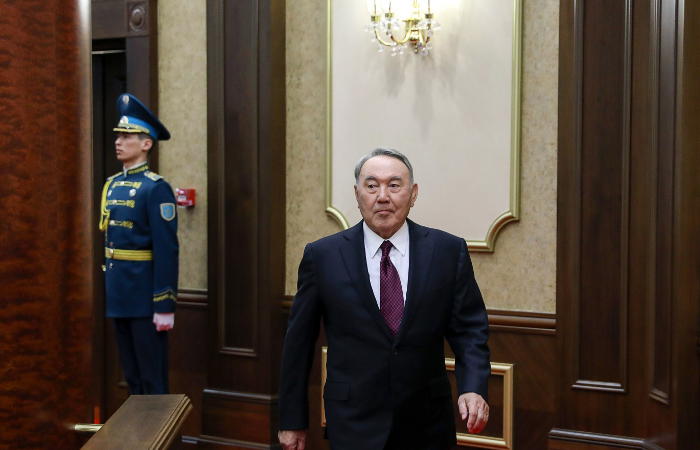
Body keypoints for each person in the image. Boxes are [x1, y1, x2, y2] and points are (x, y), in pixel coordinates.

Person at [278, 149, 490, 450]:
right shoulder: (323, 256)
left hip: (427, 422)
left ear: (413, 194)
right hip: (353, 422)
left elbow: (470, 330)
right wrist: (291, 420)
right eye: (371, 185)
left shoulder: (446, 251)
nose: (382, 196)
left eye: (394, 185)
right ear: (357, 194)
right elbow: (298, 344)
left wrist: (473, 387)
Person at [99, 93, 179, 395]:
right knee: (132, 377)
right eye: (118, 136)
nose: (119, 141)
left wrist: (164, 304)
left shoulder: (155, 189)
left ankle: (157, 427)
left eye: (127, 136)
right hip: (119, 294)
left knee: (151, 379)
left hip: (145, 299)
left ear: (146, 143)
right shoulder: (112, 184)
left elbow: (167, 250)